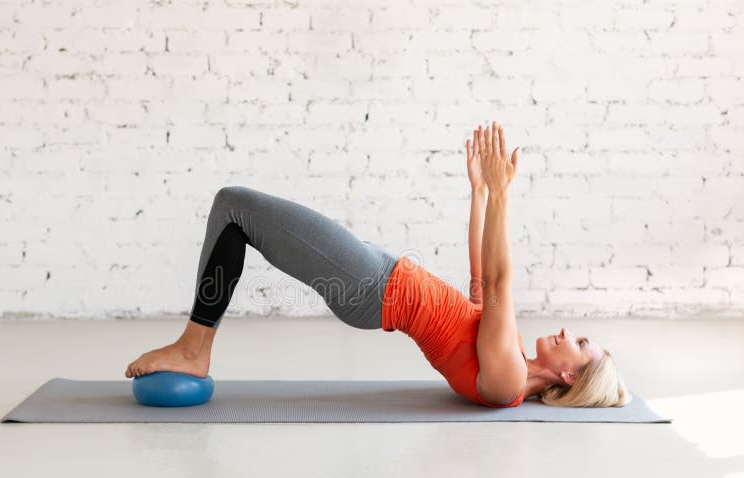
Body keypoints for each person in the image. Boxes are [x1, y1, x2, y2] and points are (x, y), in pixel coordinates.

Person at [126, 121, 632, 408]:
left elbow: (500, 282)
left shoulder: (507, 385)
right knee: (235, 214)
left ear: (569, 377)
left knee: (234, 204)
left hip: (370, 287)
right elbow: (481, 283)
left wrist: (503, 194)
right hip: (375, 278)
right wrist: (480, 193)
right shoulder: (513, 359)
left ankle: (194, 350)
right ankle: (194, 346)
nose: (571, 333)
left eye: (581, 344)